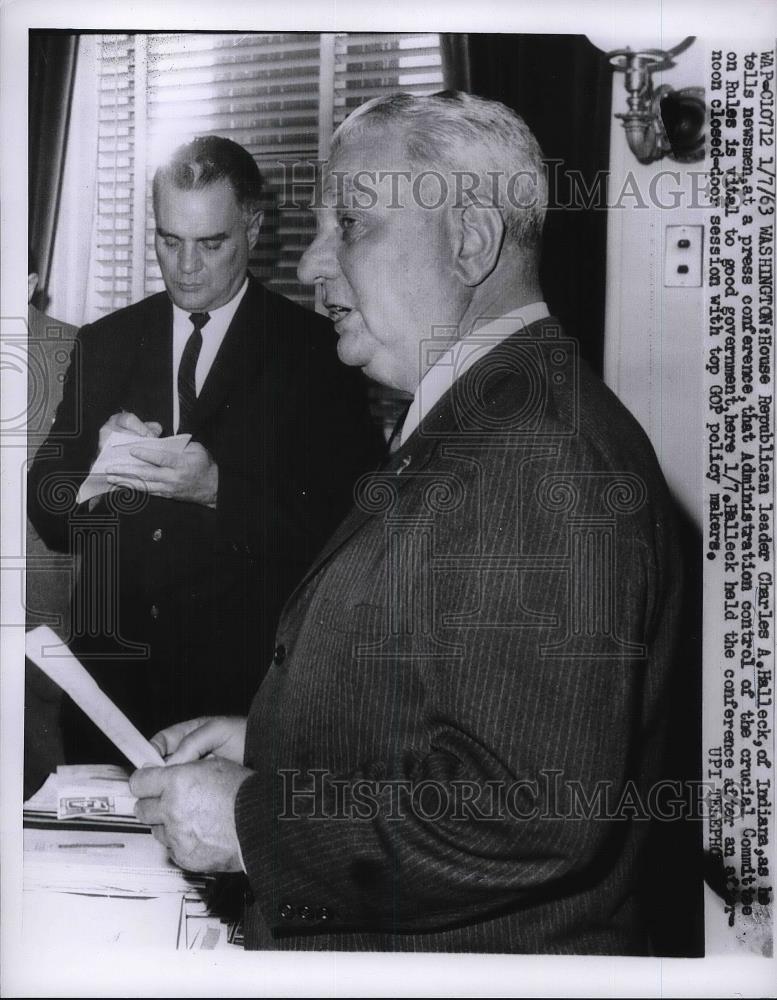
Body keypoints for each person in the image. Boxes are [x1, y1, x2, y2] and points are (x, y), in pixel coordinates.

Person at [130, 93, 686, 954]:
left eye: (349, 223)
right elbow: (444, 705)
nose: (313, 263)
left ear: (468, 242)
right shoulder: (488, 416)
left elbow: (523, 811)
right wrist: (279, 739)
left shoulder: (539, 453)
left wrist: (250, 823)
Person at [27, 135, 383, 762]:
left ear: (252, 228)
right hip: (110, 698)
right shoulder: (106, 342)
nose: (186, 267)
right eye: (169, 240)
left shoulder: (319, 353)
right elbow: (47, 510)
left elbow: (353, 539)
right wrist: (93, 481)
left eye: (211, 243)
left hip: (244, 705)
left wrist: (217, 489)